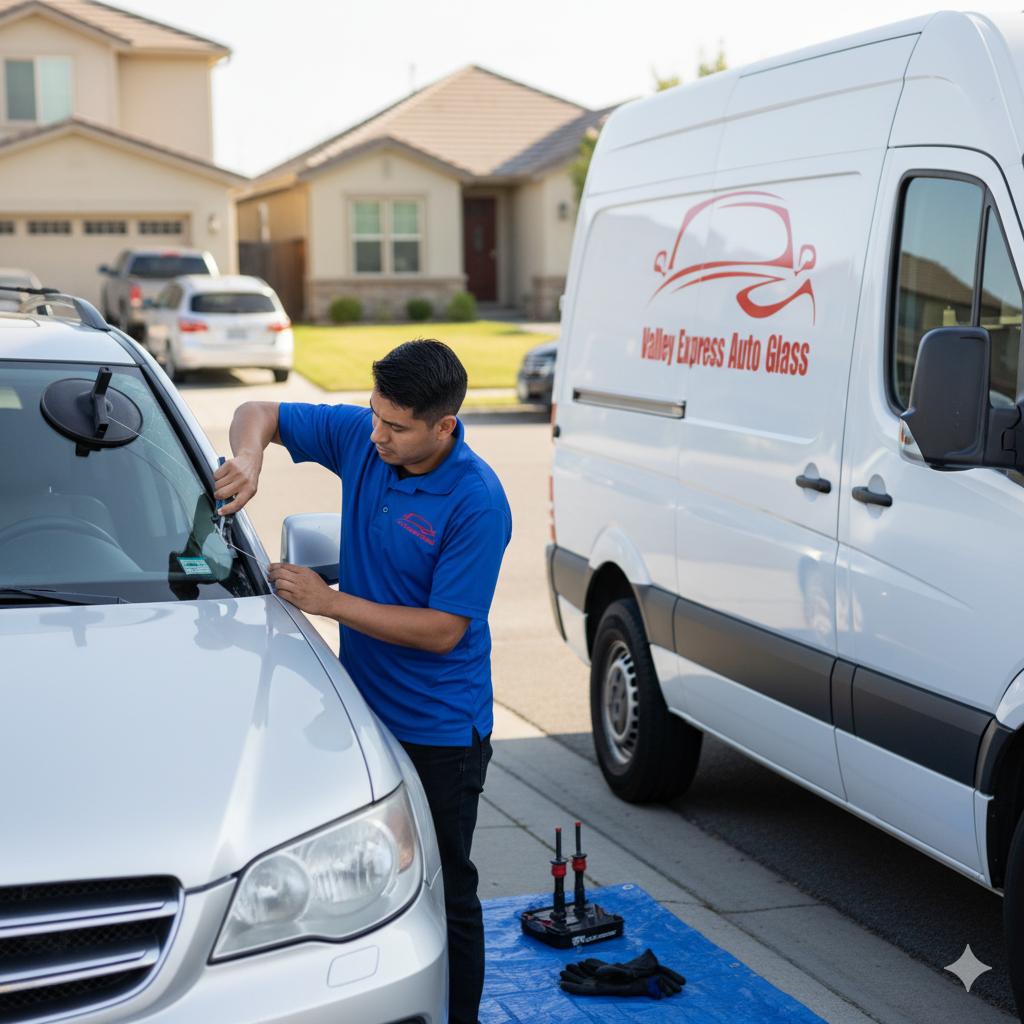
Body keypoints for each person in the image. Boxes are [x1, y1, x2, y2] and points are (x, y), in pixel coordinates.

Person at [215, 339, 511, 1024]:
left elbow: (444, 630)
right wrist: (250, 459)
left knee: (444, 889)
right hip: (360, 716)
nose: (377, 435)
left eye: (396, 426)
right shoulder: (365, 437)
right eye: (375, 414)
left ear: (444, 426)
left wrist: (329, 602)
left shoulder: (475, 500)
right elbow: (259, 411)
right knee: (358, 884)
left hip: (440, 729)